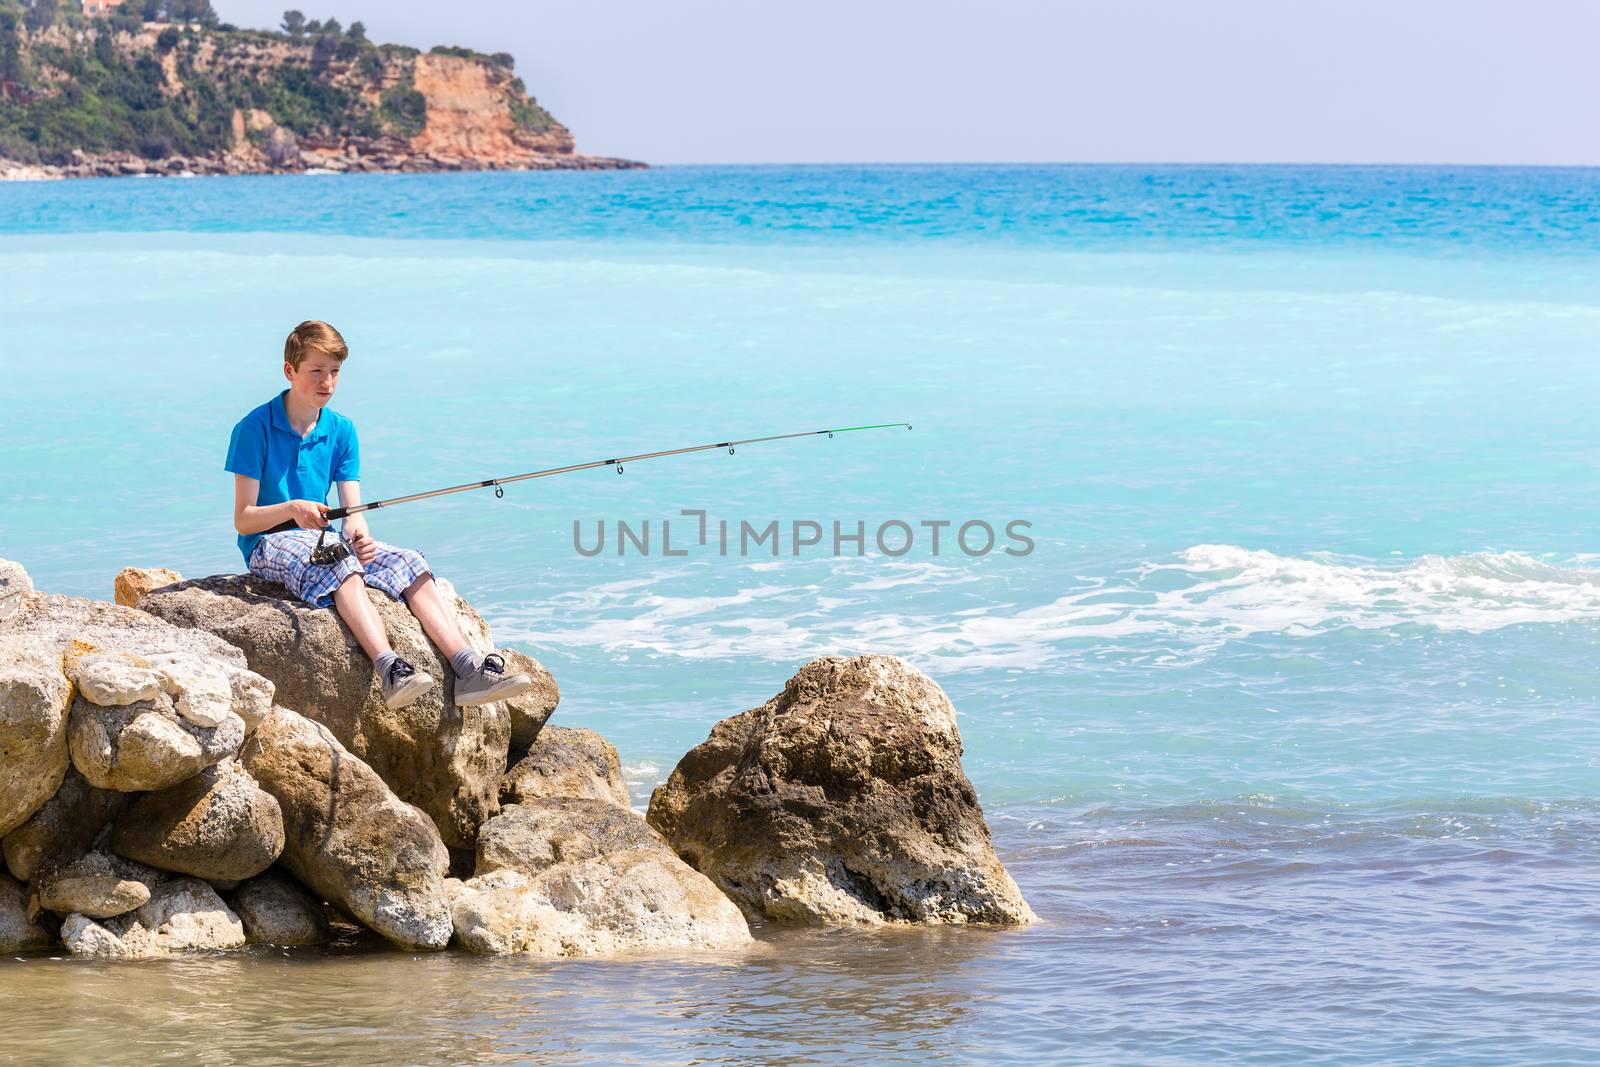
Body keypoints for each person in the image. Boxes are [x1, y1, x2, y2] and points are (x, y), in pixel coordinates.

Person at [225, 320, 532, 710]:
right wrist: (292, 508)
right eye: (316, 371)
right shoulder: (254, 429)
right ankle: (390, 670)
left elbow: (352, 512)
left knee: (410, 561)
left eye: (335, 372)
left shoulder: (341, 430)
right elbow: (244, 519)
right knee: (342, 566)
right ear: (290, 371)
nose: (328, 383)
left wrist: (358, 536)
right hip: (268, 542)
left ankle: (467, 667)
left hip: (322, 540)